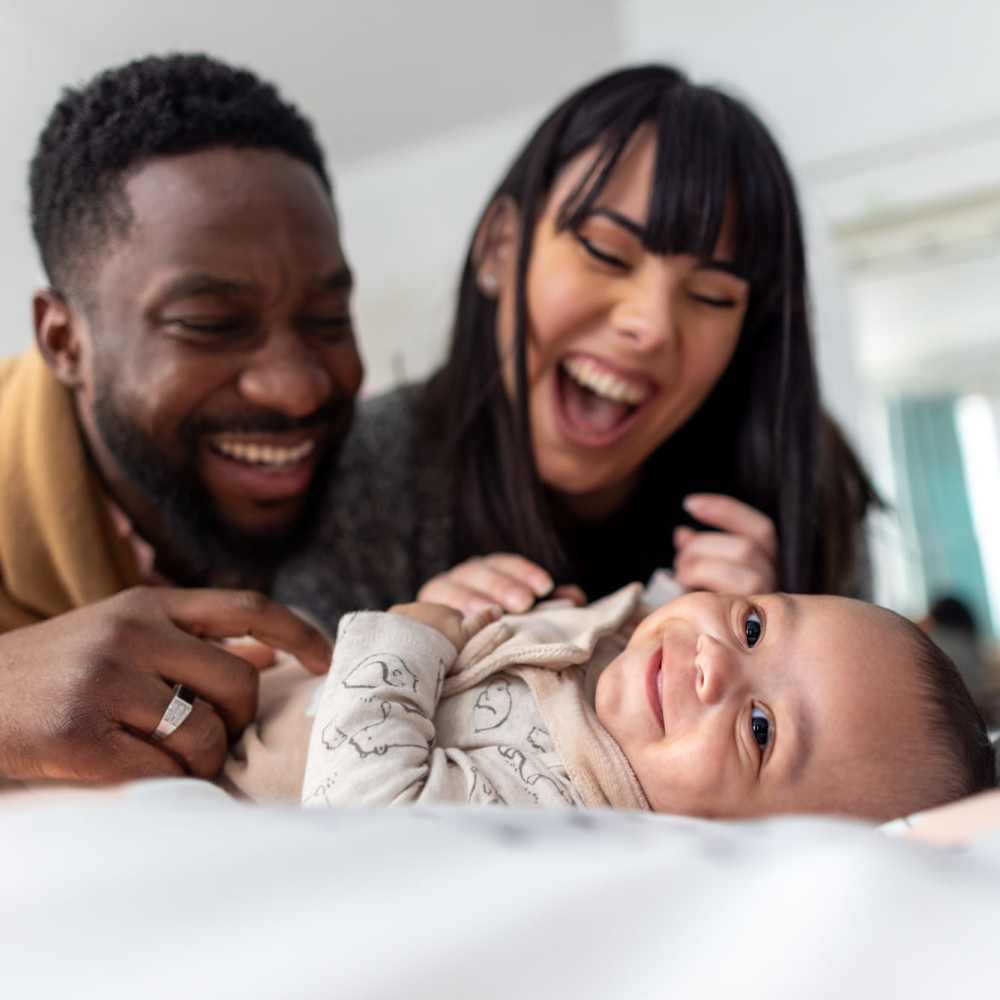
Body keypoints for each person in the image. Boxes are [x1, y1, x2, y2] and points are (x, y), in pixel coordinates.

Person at [276, 63, 879, 634]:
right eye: (607, 253)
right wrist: (405, 654)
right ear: (500, 249)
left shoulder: (801, 481)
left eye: (713, 296)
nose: (651, 325)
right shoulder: (363, 475)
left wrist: (783, 657)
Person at [0, 54, 361, 785]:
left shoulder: (376, 479)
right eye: (210, 323)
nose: (296, 390)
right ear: (65, 341)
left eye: (327, 318)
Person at [298, 586, 995, 822]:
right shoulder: (636, 648)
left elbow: (360, 822)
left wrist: (411, 634)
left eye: (760, 730)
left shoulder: (556, 812)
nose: (716, 662)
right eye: (753, 627)